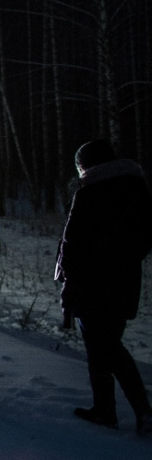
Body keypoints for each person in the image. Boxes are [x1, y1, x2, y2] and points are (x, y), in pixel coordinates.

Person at [55, 139, 152, 435]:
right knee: (106, 345)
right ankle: (106, 409)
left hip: (91, 281)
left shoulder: (89, 191)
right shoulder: (138, 189)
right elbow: (144, 238)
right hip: (124, 279)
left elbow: (72, 241)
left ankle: (139, 411)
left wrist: (68, 275)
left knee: (104, 348)